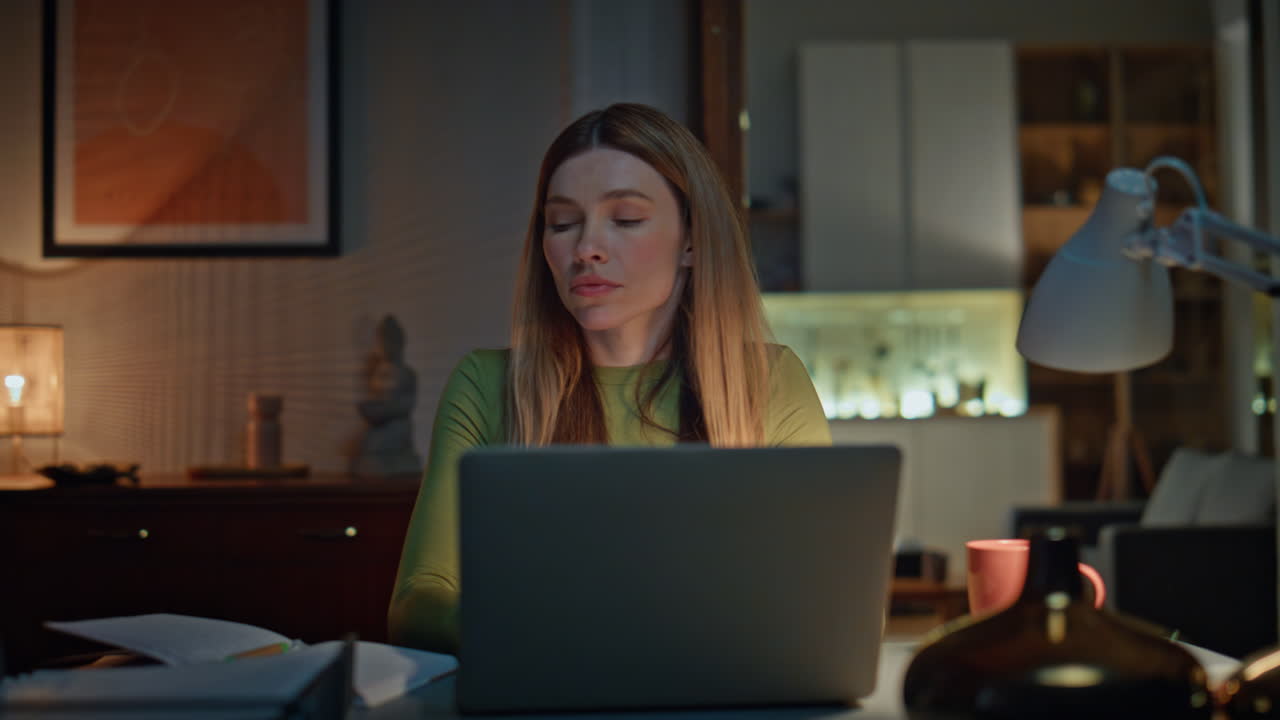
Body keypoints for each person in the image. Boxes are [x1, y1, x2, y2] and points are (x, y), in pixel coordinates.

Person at [388, 103, 830, 655]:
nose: (585, 249)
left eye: (625, 219)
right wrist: (570, 636)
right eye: (562, 223)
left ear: (692, 241)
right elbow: (417, 603)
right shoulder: (484, 384)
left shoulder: (771, 382)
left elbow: (832, 602)